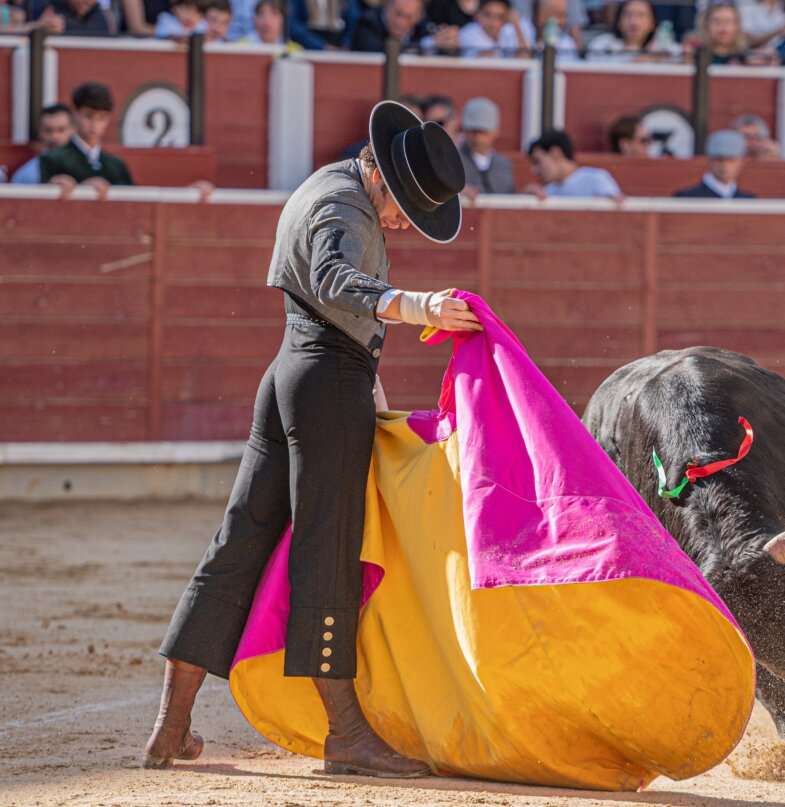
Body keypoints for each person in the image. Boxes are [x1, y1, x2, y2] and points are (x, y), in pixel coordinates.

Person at [142, 100, 482, 779]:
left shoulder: (327, 182)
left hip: (294, 369)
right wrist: (418, 306)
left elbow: (323, 300)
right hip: (326, 381)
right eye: (403, 211)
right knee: (329, 549)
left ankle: (170, 728)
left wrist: (370, 375)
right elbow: (333, 278)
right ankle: (347, 734)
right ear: (381, 176)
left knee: (240, 539)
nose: (401, 225)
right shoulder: (343, 207)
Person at [40, 82, 133, 193]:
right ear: (75, 114)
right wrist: (81, 189)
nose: (95, 124)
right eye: (89, 116)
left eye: (102, 118)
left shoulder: (117, 165)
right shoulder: (53, 159)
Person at [525, 129, 622, 199]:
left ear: (556, 153)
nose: (534, 170)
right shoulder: (549, 191)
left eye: (537, 161)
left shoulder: (596, 180)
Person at [672, 129, 756, 198]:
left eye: (731, 160)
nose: (725, 165)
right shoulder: (686, 197)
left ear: (741, 162)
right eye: (719, 160)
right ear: (708, 161)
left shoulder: (749, 200)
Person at [459, 97, 515, 198]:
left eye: (484, 132)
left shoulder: (504, 165)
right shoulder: (453, 161)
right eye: (473, 132)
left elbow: (512, 197)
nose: (478, 138)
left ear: (496, 131)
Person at [586, 0, 679, 60]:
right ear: (619, 21)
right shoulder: (602, 44)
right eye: (628, 14)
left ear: (652, 23)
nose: (634, 21)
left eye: (641, 15)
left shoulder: (664, 47)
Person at [10, 103, 74, 185]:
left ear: (72, 130)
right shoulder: (26, 176)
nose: (54, 136)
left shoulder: (86, 165)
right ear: (40, 132)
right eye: (48, 130)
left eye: (61, 130)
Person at [458, 0, 533, 56]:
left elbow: (524, 57)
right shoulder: (468, 32)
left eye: (499, 17)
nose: (492, 22)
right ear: (477, 14)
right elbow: (487, 59)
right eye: (487, 15)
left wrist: (516, 25)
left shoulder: (508, 31)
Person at [350, 0, 429, 51]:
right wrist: (424, 44)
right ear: (387, 6)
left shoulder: (423, 27)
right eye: (398, 14)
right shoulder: (368, 21)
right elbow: (375, 49)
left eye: (409, 17)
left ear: (419, 17)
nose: (400, 22)